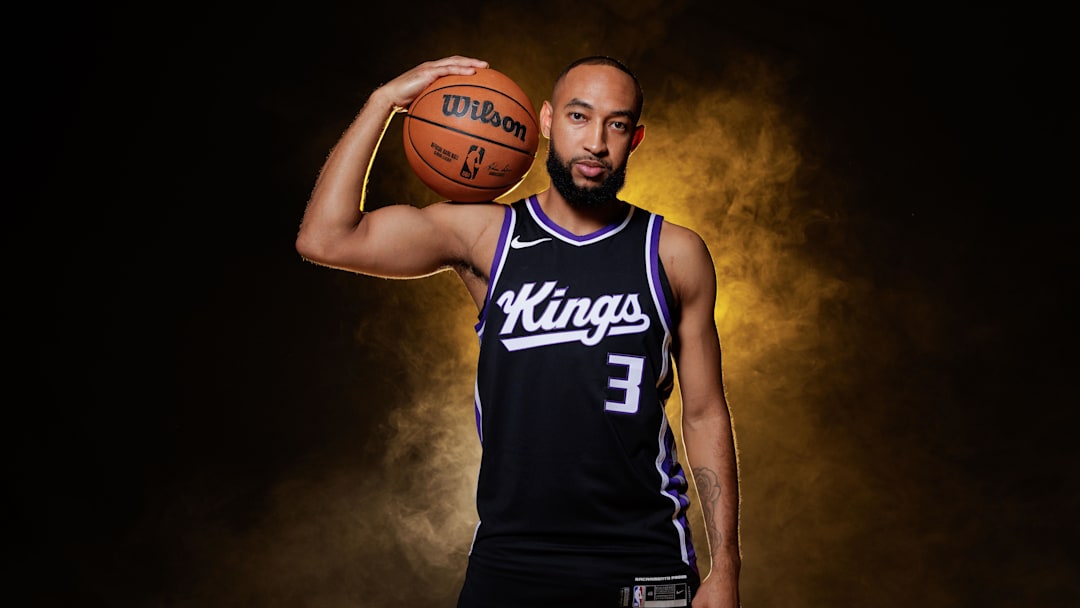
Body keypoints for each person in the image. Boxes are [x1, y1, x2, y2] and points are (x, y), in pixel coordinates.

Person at [296, 55, 741, 608]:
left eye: (617, 124)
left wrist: (726, 566)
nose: (596, 142)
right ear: (546, 120)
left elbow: (704, 412)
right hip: (512, 560)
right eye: (579, 116)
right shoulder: (487, 235)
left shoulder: (673, 252)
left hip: (643, 557)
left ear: (636, 138)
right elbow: (325, 238)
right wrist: (383, 101)